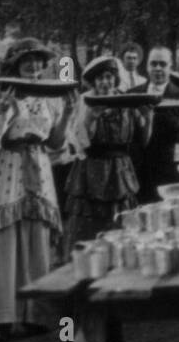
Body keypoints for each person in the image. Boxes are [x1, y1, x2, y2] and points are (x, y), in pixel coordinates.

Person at [0, 38, 78, 341]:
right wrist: (4, 111)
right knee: (5, 236)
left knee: (38, 235)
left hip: (39, 165)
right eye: (27, 61)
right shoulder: (0, 93)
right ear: (14, 64)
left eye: (38, 60)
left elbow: (56, 143)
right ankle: (5, 317)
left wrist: (68, 113)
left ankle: (36, 314)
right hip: (7, 165)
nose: (34, 66)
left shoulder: (50, 95)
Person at [64, 56, 151, 251]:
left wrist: (148, 117)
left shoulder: (126, 100)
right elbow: (80, 143)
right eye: (100, 78)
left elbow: (143, 139)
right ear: (93, 81)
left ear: (115, 78)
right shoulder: (85, 101)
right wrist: (91, 119)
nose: (105, 82)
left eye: (109, 77)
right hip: (91, 170)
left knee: (121, 220)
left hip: (120, 171)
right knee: (91, 224)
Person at [138, 46, 179, 199]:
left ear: (170, 67)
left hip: (169, 171)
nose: (158, 68)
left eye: (163, 64)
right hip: (140, 171)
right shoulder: (134, 93)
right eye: (153, 64)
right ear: (147, 66)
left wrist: (174, 122)